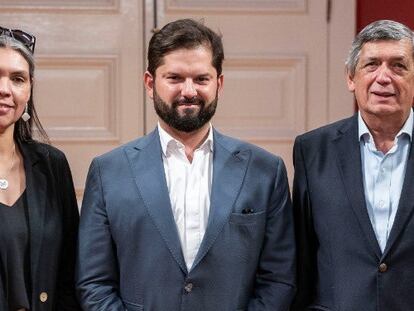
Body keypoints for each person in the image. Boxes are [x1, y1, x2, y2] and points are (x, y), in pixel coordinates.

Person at [77, 18, 296, 310]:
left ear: (219, 83)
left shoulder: (265, 171)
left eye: (201, 79)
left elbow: (279, 280)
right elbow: (93, 283)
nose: (189, 91)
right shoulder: (108, 172)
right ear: (150, 83)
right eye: (175, 78)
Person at [292, 19, 414, 311]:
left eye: (399, 66)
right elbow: (301, 258)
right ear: (351, 78)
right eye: (372, 65)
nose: (384, 77)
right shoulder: (312, 150)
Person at [0, 27, 80, 310]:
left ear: (29, 88)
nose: (5, 89)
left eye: (17, 79)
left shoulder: (51, 164)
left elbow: (71, 270)